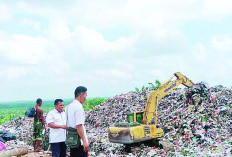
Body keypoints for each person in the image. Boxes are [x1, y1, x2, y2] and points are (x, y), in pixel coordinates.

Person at [66, 86, 89, 157]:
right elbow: (79, 125)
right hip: (79, 141)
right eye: (85, 95)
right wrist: (84, 141)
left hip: (72, 140)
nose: (85, 98)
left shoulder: (69, 106)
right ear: (81, 95)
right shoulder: (78, 107)